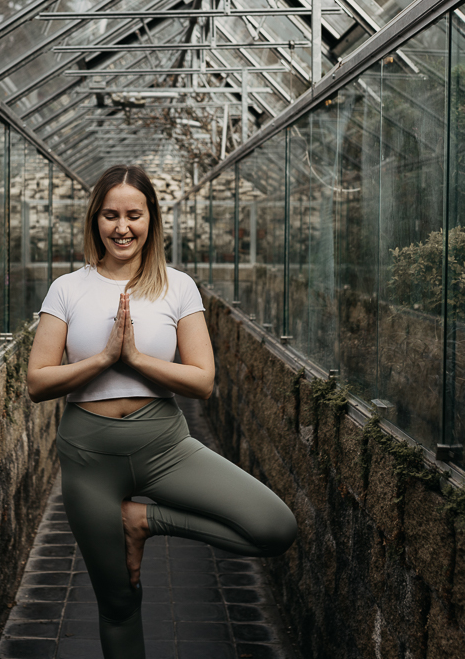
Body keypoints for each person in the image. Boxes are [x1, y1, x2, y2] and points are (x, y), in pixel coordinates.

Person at [27, 165, 297, 659]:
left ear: (152, 219)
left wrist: (136, 359)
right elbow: (37, 381)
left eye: (134, 214)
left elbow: (202, 381)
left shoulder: (178, 286)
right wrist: (104, 359)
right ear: (95, 220)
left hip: (165, 447)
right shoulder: (68, 288)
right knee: (118, 603)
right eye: (111, 215)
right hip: (89, 458)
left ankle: (143, 521)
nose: (122, 227)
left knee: (274, 528)